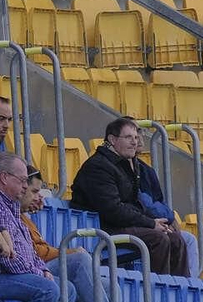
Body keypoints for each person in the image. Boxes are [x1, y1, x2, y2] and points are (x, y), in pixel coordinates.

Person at [0, 153, 106, 302]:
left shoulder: (9, 204)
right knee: (49, 289)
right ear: (4, 177)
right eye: (22, 180)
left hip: (13, 272)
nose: (25, 186)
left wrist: (41, 268)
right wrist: (38, 271)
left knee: (68, 290)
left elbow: (28, 248)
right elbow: (7, 257)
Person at [69, 117, 189, 276]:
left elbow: (135, 204)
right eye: (128, 137)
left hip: (122, 224)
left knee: (176, 239)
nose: (134, 142)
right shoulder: (98, 166)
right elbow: (113, 210)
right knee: (159, 238)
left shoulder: (127, 164)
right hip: (102, 229)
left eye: (136, 137)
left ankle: (179, 292)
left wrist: (158, 222)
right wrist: (151, 223)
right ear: (112, 139)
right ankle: (156, 292)